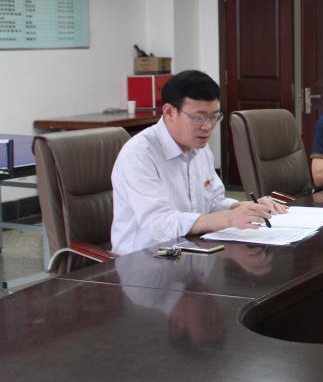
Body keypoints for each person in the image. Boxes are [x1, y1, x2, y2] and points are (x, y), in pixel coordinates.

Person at [111, 70, 287, 256]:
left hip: (191, 250)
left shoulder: (199, 147)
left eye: (214, 116)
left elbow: (213, 201)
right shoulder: (139, 154)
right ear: (169, 112)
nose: (207, 126)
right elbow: (161, 225)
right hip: (144, 260)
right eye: (198, 117)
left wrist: (243, 208)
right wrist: (229, 218)